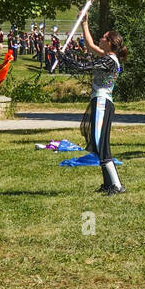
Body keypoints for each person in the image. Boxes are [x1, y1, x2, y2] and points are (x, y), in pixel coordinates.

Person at [56, 14, 128, 194]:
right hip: (100, 101)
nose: (101, 38)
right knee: (98, 144)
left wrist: (64, 58)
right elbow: (89, 46)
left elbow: (82, 67)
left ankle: (117, 185)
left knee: (101, 143)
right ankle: (108, 184)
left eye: (104, 37)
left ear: (110, 42)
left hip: (103, 102)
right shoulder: (108, 57)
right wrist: (85, 24)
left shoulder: (108, 61)